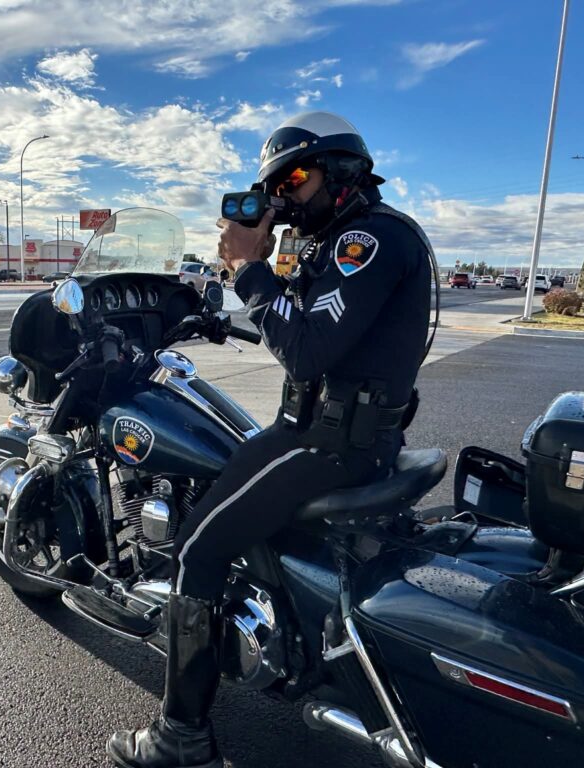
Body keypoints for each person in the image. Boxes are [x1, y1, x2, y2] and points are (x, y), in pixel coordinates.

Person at [107, 112, 434, 768]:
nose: (283, 196)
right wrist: (254, 277)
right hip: (339, 435)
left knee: (197, 545)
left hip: (325, 444)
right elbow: (313, 324)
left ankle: (181, 739)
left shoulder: (365, 242)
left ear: (342, 174)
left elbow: (307, 350)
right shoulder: (348, 239)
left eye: (297, 179)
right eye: (275, 186)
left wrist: (247, 269)